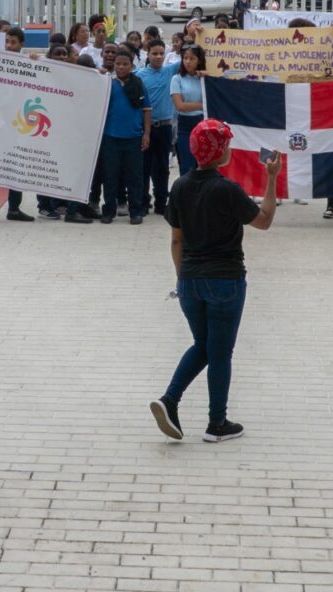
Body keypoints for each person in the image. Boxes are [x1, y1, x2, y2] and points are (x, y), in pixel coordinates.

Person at [149, 120, 279, 444]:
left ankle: (170, 400)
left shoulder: (179, 186)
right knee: (220, 353)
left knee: (203, 346)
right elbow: (264, 221)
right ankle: (216, 424)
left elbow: (176, 241)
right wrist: (272, 179)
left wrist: (182, 281)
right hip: (225, 282)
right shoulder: (227, 189)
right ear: (220, 151)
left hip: (189, 281)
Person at [0, 28, 37, 226]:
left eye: (13, 42)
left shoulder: (27, 62)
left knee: (16, 165)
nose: (9, 46)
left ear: (21, 44)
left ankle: (14, 208)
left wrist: (36, 59)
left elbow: (42, 74)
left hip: (18, 123)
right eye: (7, 42)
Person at [98, 48, 151, 225]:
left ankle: (135, 211)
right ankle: (109, 211)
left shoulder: (138, 83)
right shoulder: (106, 82)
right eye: (118, 64)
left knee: (135, 177)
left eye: (125, 64)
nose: (121, 67)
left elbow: (146, 110)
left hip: (134, 138)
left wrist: (146, 134)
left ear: (132, 65)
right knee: (110, 177)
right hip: (110, 137)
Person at [135, 41, 180, 217]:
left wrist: (195, 33)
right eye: (155, 53)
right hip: (145, 129)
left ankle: (161, 202)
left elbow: (190, 56)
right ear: (148, 54)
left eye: (161, 53)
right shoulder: (139, 75)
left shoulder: (170, 71)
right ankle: (144, 202)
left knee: (162, 167)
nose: (158, 57)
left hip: (165, 127)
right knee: (144, 167)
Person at [170, 44, 206, 177]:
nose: (188, 62)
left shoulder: (204, 78)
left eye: (192, 58)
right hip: (185, 126)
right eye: (185, 58)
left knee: (203, 167)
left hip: (202, 124)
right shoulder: (177, 79)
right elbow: (180, 106)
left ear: (199, 60)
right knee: (187, 167)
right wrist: (202, 105)